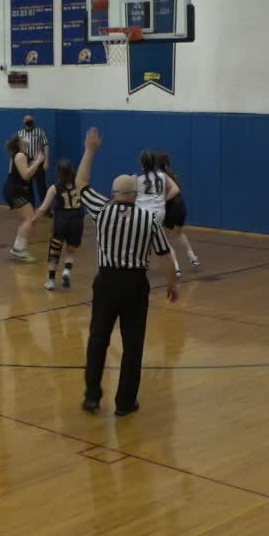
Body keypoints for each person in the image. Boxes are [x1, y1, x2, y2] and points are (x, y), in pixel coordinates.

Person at [75, 128, 178, 416]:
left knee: (98, 338)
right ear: (135, 195)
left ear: (114, 193)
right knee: (133, 345)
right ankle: (124, 403)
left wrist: (90, 150)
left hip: (106, 281)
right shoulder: (148, 219)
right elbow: (164, 255)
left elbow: (81, 183)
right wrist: (172, 285)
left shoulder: (102, 210)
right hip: (135, 284)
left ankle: (92, 396)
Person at [33, 158, 85, 291]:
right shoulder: (79, 184)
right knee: (71, 251)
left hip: (61, 221)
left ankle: (51, 281)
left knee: (54, 251)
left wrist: (34, 219)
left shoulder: (55, 188)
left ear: (58, 172)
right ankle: (66, 272)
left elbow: (44, 208)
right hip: (77, 220)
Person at [155, 152, 200, 276]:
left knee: (164, 236)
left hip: (171, 208)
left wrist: (162, 200)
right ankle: (192, 257)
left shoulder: (161, 175)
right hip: (181, 206)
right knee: (178, 233)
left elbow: (175, 191)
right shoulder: (173, 174)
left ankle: (176, 266)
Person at [4, 134, 43, 262]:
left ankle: (19, 247)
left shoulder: (21, 155)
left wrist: (35, 161)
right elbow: (26, 175)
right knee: (30, 218)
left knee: (30, 219)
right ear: (19, 143)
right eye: (22, 137)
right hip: (15, 191)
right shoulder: (19, 155)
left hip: (17, 191)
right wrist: (37, 162)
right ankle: (19, 249)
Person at [135, 150, 180, 227]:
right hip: (159, 214)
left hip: (142, 215)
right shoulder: (163, 176)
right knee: (155, 233)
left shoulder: (138, 180)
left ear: (142, 164)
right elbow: (176, 190)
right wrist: (162, 199)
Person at [15, 114, 50, 207]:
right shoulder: (20, 133)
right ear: (23, 121)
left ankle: (45, 209)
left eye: (30, 119)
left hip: (38, 162)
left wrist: (46, 160)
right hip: (26, 163)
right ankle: (31, 208)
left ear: (33, 120)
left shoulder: (39, 131)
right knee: (27, 188)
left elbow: (46, 145)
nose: (28, 121)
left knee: (41, 187)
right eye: (26, 119)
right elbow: (17, 150)